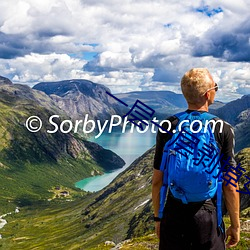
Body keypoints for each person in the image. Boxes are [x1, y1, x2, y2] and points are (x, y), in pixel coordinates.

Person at [152, 68, 240, 250]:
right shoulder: (223, 129)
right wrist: (235, 226)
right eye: (216, 87)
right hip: (207, 215)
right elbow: (230, 184)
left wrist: (158, 218)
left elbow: (157, 181)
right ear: (208, 94)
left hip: (174, 213)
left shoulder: (168, 125)